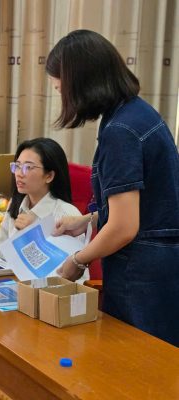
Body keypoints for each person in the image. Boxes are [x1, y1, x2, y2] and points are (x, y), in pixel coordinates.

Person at [47, 30, 179, 346]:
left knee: (136, 359)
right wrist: (88, 219)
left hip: (141, 273)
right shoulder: (137, 113)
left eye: (61, 89)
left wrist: (77, 260)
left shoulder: (120, 131)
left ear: (82, 84)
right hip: (159, 264)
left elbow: (124, 227)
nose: (61, 96)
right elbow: (144, 203)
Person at [0, 138, 86, 277]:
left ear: (49, 176)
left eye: (28, 167)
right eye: (17, 166)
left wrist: (33, 234)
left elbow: (71, 274)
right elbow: (2, 246)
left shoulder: (67, 214)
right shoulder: (17, 203)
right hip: (14, 280)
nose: (19, 173)